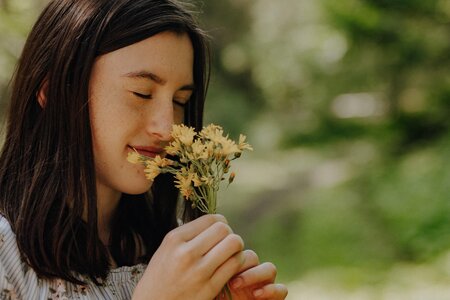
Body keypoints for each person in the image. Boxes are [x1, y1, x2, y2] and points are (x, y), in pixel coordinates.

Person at [0, 0, 288, 299]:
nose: (167, 129)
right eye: (142, 93)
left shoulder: (175, 252)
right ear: (53, 92)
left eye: (180, 101)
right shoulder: (6, 259)